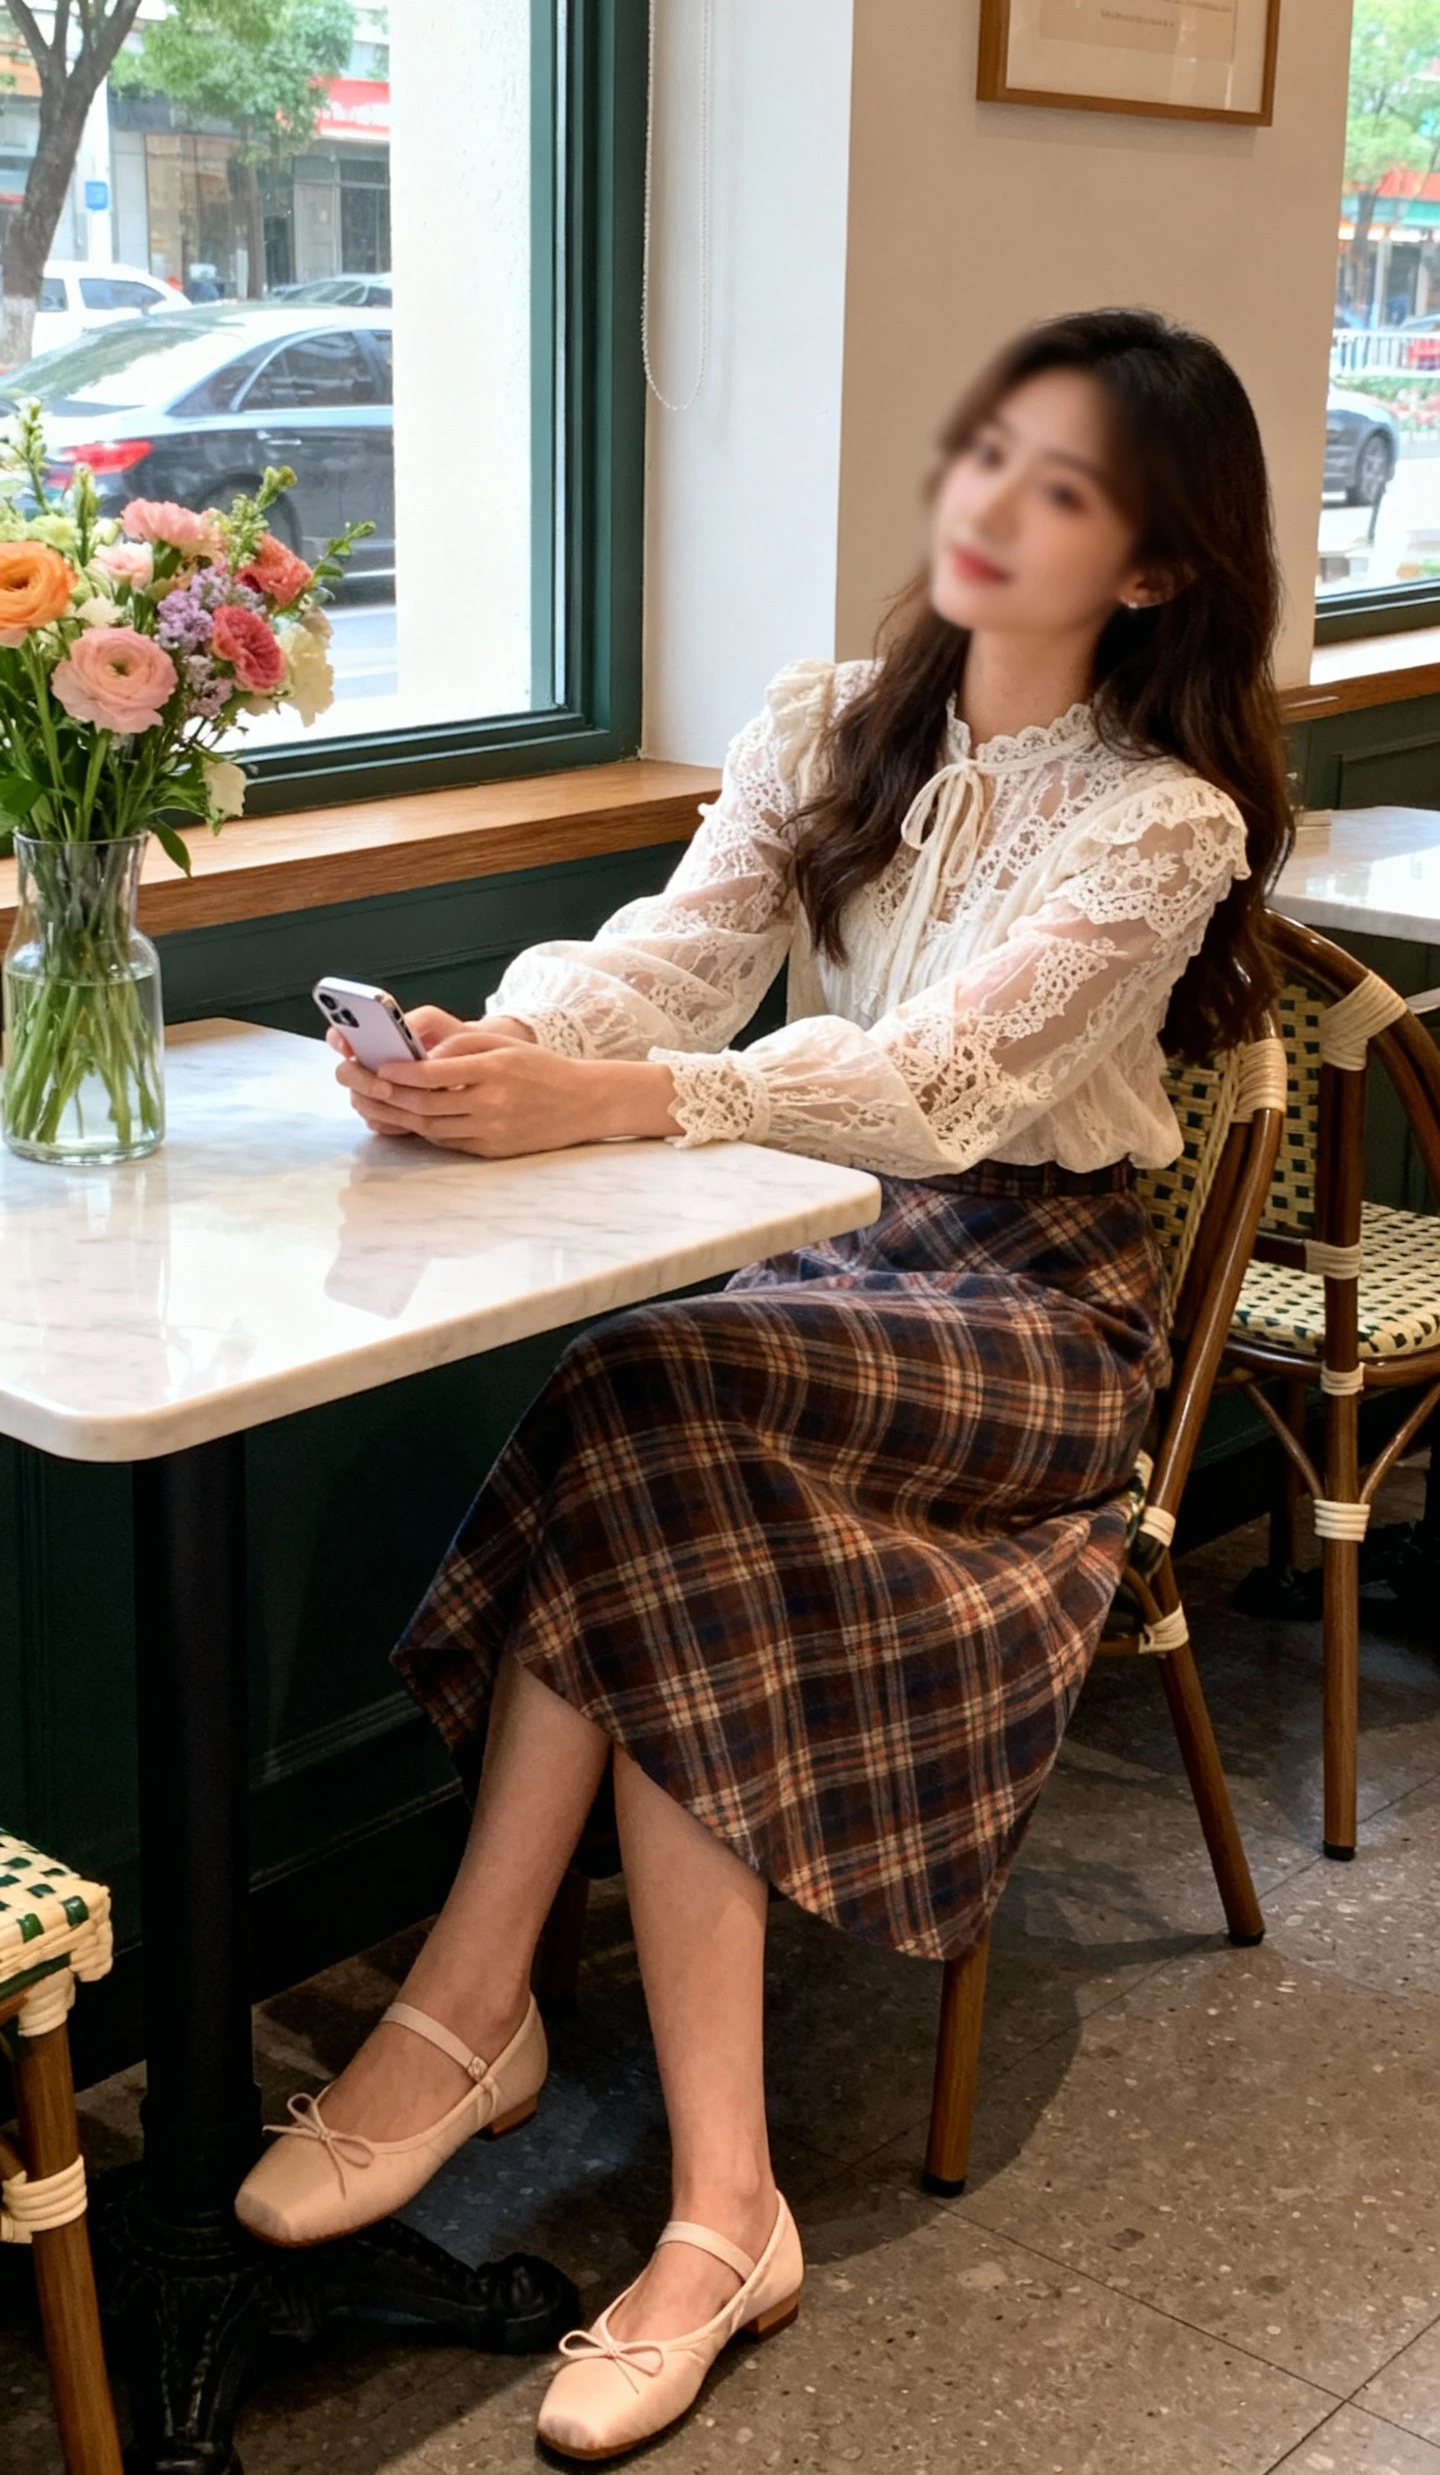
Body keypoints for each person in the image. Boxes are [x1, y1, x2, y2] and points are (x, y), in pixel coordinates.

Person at [235, 307, 1291, 2460]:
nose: (987, 503)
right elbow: (671, 951)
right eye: (987, 449)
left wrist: (611, 1101)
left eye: (1063, 485)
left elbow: (938, 1077)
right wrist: (505, 1045)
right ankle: (723, 2203)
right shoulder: (834, 719)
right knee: (671, 1435)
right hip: (815, 1272)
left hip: (1033, 1321)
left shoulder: (1165, 821)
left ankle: (468, 2011)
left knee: (647, 1390)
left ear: (1162, 565)